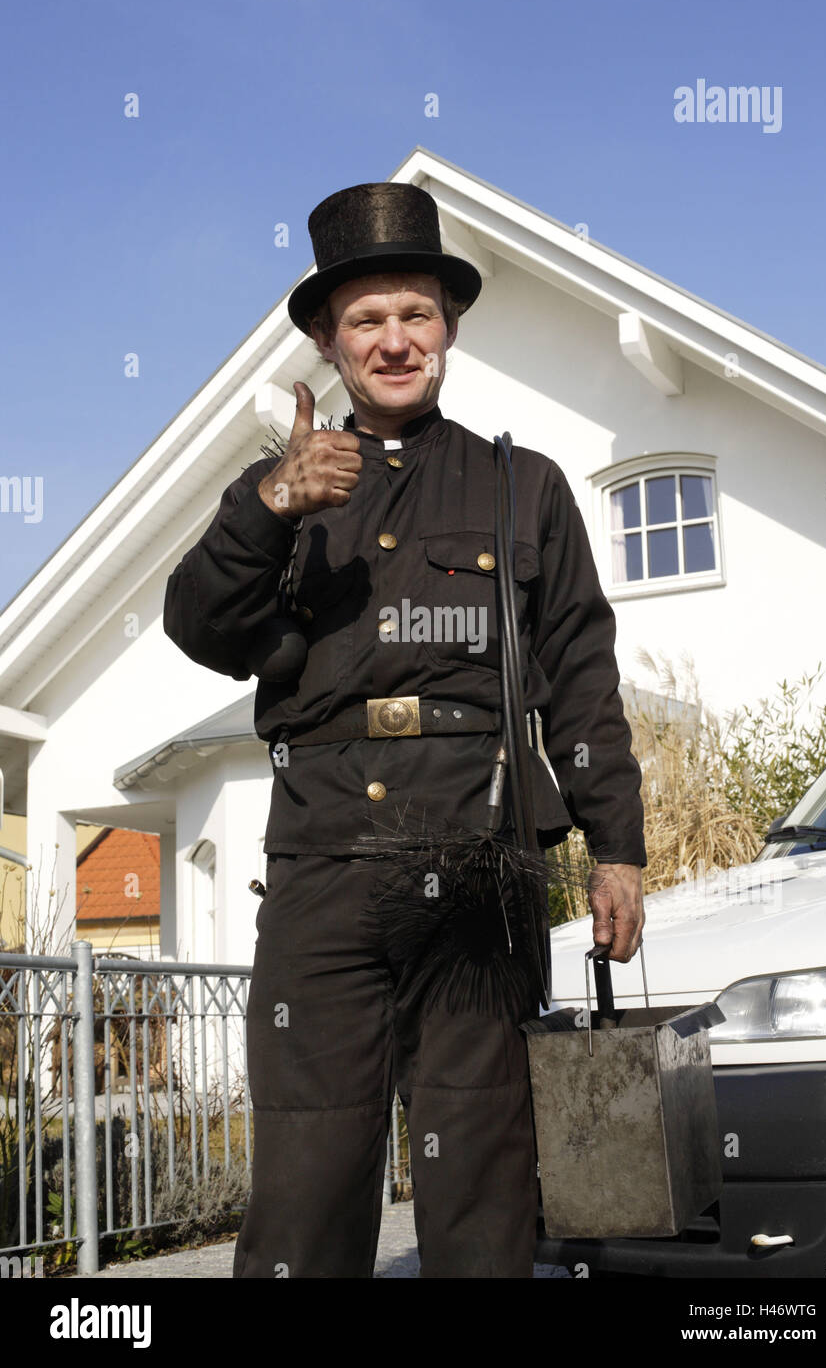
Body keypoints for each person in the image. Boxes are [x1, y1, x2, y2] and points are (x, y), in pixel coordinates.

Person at [163, 181, 646, 1278]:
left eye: (414, 314)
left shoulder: (522, 486)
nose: (394, 340)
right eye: (367, 321)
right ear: (328, 345)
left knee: (482, 1175)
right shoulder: (278, 490)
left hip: (476, 860)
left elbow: (578, 670)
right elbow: (197, 626)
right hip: (321, 868)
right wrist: (270, 508)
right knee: (305, 1182)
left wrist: (615, 844)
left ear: (448, 327)